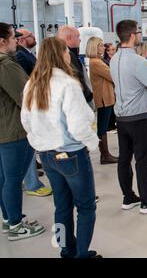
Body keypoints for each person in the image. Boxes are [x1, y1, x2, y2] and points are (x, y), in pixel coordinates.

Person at [21, 37, 101, 258]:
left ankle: (67, 250)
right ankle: (82, 254)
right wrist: (93, 143)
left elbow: (26, 121)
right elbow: (77, 126)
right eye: (67, 51)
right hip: (71, 154)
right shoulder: (68, 84)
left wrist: (40, 140)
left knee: (62, 206)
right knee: (85, 207)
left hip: (46, 155)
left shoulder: (31, 84)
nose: (69, 55)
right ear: (61, 54)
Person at [110, 20, 147, 214]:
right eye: (140, 31)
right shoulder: (138, 61)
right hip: (139, 116)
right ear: (133, 35)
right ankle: (146, 200)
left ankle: (128, 197)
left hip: (121, 116)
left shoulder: (114, 58)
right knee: (143, 159)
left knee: (124, 158)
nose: (141, 34)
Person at [0, 22, 45, 242]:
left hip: (4, 130)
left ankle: (10, 219)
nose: (16, 41)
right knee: (13, 179)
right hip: (13, 132)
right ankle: (16, 225)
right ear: (2, 41)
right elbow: (27, 97)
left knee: (5, 178)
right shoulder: (6, 64)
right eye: (12, 37)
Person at [15, 28, 52, 197]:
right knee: (28, 147)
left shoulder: (25, 53)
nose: (34, 37)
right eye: (31, 36)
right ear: (22, 39)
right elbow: (25, 83)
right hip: (26, 108)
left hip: (28, 106)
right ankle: (32, 183)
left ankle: (30, 179)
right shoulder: (20, 56)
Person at [86, 37, 118, 164]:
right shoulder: (96, 62)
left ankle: (105, 154)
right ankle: (104, 155)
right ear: (94, 47)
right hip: (104, 98)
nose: (103, 48)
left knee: (103, 126)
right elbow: (112, 76)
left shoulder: (98, 61)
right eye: (100, 45)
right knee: (103, 127)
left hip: (106, 97)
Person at [56, 25, 94, 106]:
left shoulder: (69, 54)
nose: (80, 40)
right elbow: (77, 76)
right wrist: (88, 95)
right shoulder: (68, 55)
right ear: (69, 37)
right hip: (76, 102)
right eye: (77, 37)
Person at [103, 43, 117, 132]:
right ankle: (110, 125)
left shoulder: (114, 59)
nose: (114, 51)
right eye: (112, 49)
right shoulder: (104, 61)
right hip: (110, 86)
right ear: (107, 51)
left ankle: (113, 123)